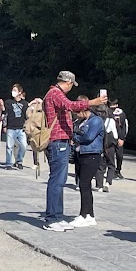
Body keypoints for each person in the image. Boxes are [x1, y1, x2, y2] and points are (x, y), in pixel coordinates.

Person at [42, 71, 107, 231]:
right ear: (69, 83)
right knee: (57, 180)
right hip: (58, 141)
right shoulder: (56, 93)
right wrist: (92, 102)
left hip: (61, 141)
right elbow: (71, 105)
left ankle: (57, 215)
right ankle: (51, 218)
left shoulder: (53, 94)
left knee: (60, 180)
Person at [71, 98, 105, 227]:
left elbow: (88, 137)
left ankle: (84, 214)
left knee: (84, 184)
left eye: (77, 112)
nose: (76, 115)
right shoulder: (82, 121)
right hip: (81, 153)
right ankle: (89, 215)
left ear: (85, 111)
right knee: (84, 185)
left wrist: (76, 137)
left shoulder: (95, 120)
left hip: (91, 154)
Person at [4, 84, 29, 170]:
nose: (13, 92)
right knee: (9, 146)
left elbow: (27, 115)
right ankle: (8, 163)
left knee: (24, 145)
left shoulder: (25, 104)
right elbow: (5, 115)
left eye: (15, 90)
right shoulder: (8, 102)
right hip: (10, 127)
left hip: (21, 128)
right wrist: (4, 125)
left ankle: (19, 160)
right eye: (12, 90)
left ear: (20, 92)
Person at [95, 104, 119, 193]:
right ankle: (107, 183)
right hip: (110, 147)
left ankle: (99, 185)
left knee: (100, 166)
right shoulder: (110, 121)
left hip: (100, 146)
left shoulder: (96, 121)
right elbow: (115, 135)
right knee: (111, 165)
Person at [110, 97, 129, 179]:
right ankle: (111, 170)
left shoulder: (121, 113)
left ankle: (118, 170)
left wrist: (122, 138)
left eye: (114, 105)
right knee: (110, 155)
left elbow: (125, 126)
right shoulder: (107, 112)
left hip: (119, 137)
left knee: (119, 155)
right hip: (110, 137)